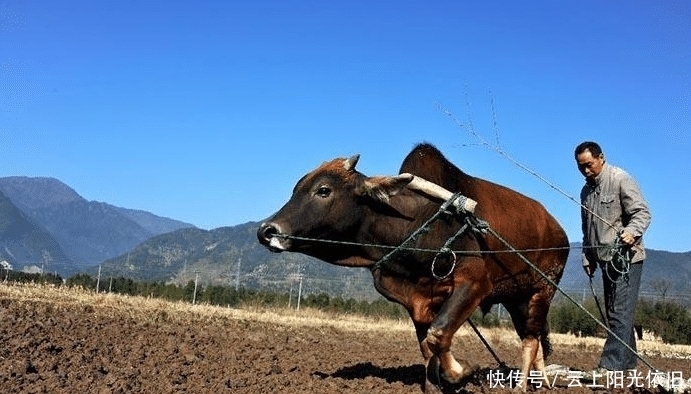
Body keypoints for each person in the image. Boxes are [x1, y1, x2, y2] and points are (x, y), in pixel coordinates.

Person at [575, 141, 651, 377]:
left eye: (589, 165)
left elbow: (642, 213)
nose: (586, 171)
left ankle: (609, 367)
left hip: (626, 259)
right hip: (604, 259)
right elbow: (587, 228)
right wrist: (588, 255)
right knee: (616, 312)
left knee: (620, 311)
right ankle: (627, 364)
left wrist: (632, 231)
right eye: (581, 167)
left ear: (601, 158)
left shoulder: (620, 179)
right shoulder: (585, 192)